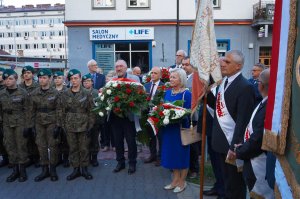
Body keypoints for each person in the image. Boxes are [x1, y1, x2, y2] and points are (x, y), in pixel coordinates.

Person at [208, 50, 255, 199]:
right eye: (223, 60)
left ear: (238, 66)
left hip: (231, 145)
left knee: (235, 185)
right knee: (225, 181)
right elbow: (217, 108)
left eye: (227, 62)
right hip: (219, 141)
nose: (222, 63)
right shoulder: (224, 82)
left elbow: (243, 120)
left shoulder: (245, 86)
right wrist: (206, 92)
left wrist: (235, 145)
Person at [235, 69, 274, 198]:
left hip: (258, 162)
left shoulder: (269, 106)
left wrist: (239, 151)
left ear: (261, 85)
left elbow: (257, 139)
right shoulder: (266, 102)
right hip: (251, 156)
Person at [61, 69, 95, 181]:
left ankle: (84, 169)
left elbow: (91, 110)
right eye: (71, 79)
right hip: (70, 125)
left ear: (80, 79)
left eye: (76, 78)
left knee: (84, 148)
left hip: (84, 125)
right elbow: (61, 111)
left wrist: (90, 126)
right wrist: (63, 125)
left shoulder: (86, 93)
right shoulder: (65, 93)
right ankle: (75, 169)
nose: (74, 81)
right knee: (73, 148)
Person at [162, 68, 191, 193]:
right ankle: (175, 180)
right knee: (172, 154)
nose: (171, 79)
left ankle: (182, 182)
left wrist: (177, 114)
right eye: (170, 77)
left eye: (174, 77)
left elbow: (189, 112)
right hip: (169, 128)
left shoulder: (186, 94)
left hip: (181, 129)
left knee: (181, 155)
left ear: (181, 79)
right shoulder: (168, 92)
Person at [31, 69, 62, 182]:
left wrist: (58, 126)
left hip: (52, 122)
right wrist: (32, 126)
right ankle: (44, 170)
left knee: (53, 145)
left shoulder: (55, 93)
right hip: (39, 123)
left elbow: (59, 110)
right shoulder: (34, 93)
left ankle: (53, 169)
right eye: (40, 78)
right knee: (41, 146)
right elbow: (31, 111)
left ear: (49, 79)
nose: (41, 80)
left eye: (44, 78)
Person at [0, 69, 31, 182]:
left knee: (21, 146)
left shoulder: (23, 93)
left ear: (16, 79)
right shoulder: (1, 93)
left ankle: (22, 171)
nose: (7, 81)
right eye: (6, 79)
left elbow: (28, 110)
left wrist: (28, 126)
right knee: (10, 146)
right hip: (7, 123)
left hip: (20, 123)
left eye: (10, 79)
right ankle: (15, 171)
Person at [110, 59, 140, 175]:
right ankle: (120, 162)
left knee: (131, 141)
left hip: (129, 116)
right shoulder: (112, 81)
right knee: (118, 141)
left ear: (126, 67)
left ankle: (132, 163)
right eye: (117, 66)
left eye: (121, 66)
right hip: (116, 117)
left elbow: (139, 96)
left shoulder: (135, 79)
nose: (118, 68)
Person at [182, 56, 200, 179]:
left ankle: (194, 169)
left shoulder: (197, 78)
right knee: (184, 143)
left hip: (193, 116)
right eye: (183, 64)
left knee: (193, 145)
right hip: (182, 115)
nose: (184, 66)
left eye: (187, 64)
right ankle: (184, 167)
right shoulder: (183, 77)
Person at [19, 65, 40, 167]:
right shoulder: (19, 87)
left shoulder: (37, 86)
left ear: (33, 74)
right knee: (25, 138)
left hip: (35, 115)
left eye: (28, 72)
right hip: (22, 116)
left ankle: (37, 157)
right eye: (25, 73)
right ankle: (29, 157)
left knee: (36, 137)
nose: (26, 74)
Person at [143, 66, 164, 166]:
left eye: (155, 73)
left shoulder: (163, 86)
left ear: (160, 75)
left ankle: (160, 157)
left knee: (160, 137)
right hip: (147, 115)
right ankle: (152, 155)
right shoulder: (146, 85)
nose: (153, 75)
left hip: (158, 115)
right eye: (152, 73)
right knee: (151, 136)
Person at [82, 74, 101, 167]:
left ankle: (94, 158)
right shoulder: (81, 92)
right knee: (85, 141)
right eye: (84, 82)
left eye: (88, 81)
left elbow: (99, 107)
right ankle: (87, 157)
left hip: (94, 120)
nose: (86, 83)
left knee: (94, 140)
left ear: (92, 82)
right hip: (83, 121)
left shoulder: (96, 92)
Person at [53, 71, 70, 167]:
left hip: (65, 119)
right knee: (55, 139)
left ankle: (66, 158)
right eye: (55, 78)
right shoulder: (50, 90)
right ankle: (58, 158)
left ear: (63, 79)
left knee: (65, 139)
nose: (57, 80)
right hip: (53, 119)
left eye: (59, 78)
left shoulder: (67, 90)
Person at [0, 67, 9, 167]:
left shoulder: (6, 89)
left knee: (7, 139)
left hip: (7, 119)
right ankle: (4, 156)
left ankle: (11, 158)